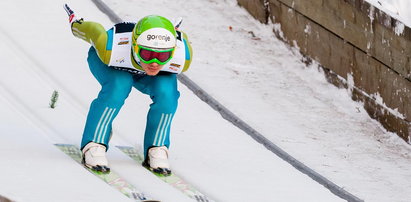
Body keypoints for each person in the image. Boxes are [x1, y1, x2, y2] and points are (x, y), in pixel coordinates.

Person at [64, 4, 193, 175]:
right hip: (113, 63)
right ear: (134, 45)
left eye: (162, 56)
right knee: (119, 86)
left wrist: (155, 58)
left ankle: (157, 147)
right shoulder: (110, 48)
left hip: (146, 73)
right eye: (147, 54)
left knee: (167, 93)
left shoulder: (181, 57)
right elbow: (93, 30)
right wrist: (75, 24)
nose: (154, 62)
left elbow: (179, 36)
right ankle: (94, 143)